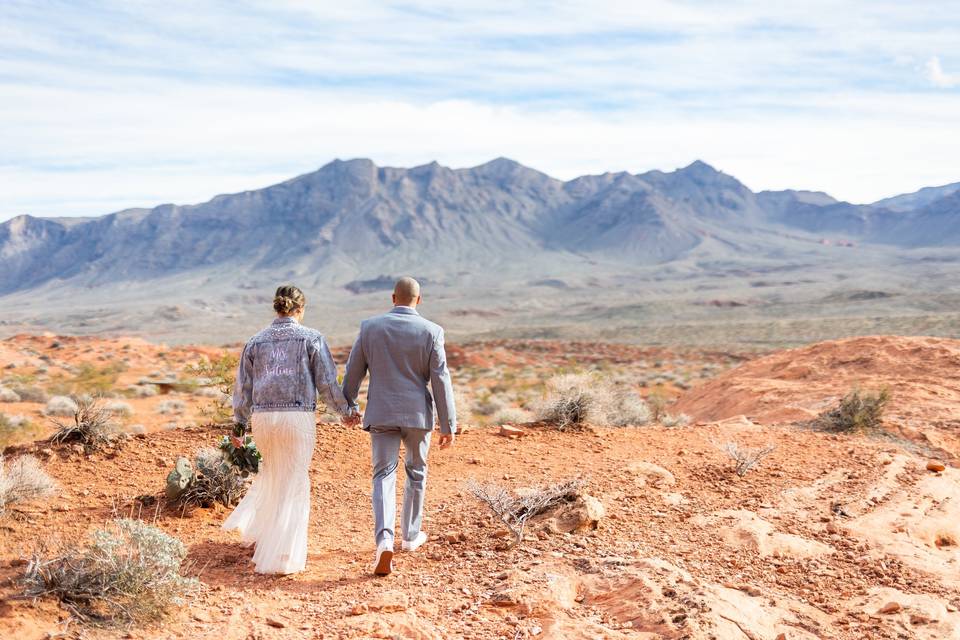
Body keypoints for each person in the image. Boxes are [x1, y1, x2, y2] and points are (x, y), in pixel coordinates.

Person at [223, 284, 359, 574]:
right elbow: (326, 384)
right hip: (296, 418)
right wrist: (346, 412)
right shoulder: (312, 338)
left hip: (263, 420)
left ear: (276, 307)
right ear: (301, 308)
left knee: (272, 475)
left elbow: (243, 390)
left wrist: (239, 425)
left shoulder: (255, 342)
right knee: (294, 480)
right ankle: (283, 555)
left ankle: (266, 541)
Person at [342, 276, 457, 576]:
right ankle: (410, 536)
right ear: (418, 300)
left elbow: (353, 372)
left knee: (383, 475)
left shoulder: (370, 328)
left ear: (393, 298)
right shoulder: (432, 331)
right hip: (418, 415)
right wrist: (448, 424)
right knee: (416, 471)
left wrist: (348, 406)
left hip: (381, 412)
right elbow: (440, 380)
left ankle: (384, 540)